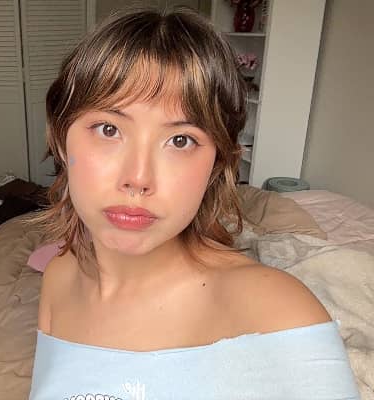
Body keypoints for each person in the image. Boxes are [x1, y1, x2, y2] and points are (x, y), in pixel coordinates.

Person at [29, 8, 360, 400]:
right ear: (61, 140)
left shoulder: (279, 315)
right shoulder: (59, 278)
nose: (138, 177)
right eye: (109, 129)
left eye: (180, 140)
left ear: (217, 163)